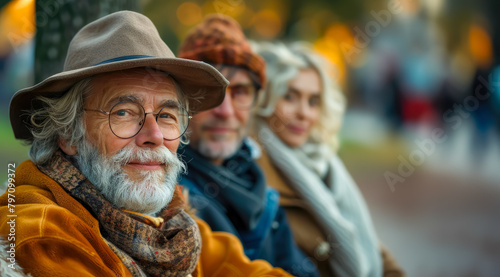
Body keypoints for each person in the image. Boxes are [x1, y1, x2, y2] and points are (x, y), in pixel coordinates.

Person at [0, 11, 292, 277]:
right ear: (68, 134)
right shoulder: (41, 230)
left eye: (166, 115)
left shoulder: (172, 222)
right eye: (123, 112)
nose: (154, 135)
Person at [177, 15, 319, 277]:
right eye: (209, 92)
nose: (226, 111)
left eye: (240, 91)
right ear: (180, 101)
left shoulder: (260, 189)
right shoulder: (165, 193)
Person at [252, 42, 405, 277]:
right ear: (264, 100)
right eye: (290, 97)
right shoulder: (255, 172)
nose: (304, 113)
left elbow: (367, 242)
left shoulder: (323, 161)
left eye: (313, 101)